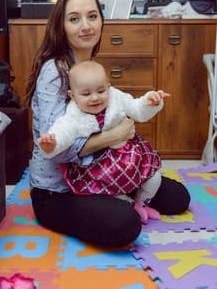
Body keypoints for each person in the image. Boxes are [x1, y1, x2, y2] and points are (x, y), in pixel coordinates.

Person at [26, 0, 191, 247]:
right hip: (58, 191)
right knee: (125, 224)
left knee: (179, 198)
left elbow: (127, 107)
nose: (86, 26)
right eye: (74, 19)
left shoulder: (90, 67)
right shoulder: (54, 72)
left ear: (101, 20)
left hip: (101, 176)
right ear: (61, 26)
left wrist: (147, 104)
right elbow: (57, 150)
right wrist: (114, 135)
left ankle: (118, 196)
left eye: (92, 16)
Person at [38, 60, 170, 223]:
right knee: (112, 197)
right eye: (86, 94)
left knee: (154, 178)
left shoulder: (116, 98)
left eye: (101, 91)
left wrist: (150, 102)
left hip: (131, 158)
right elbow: (63, 132)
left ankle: (141, 203)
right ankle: (130, 206)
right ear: (73, 96)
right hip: (102, 168)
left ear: (108, 87)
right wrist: (52, 142)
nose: (95, 98)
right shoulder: (74, 116)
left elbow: (137, 109)